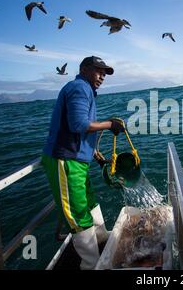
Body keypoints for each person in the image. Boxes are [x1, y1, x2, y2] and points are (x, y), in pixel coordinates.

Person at [41, 56, 125, 270]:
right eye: (99, 71)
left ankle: (102, 240)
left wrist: (94, 152)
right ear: (85, 69)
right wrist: (110, 124)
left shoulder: (84, 89)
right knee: (78, 213)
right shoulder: (79, 87)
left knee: (89, 202)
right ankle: (92, 264)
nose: (103, 76)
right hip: (65, 161)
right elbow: (79, 124)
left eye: (105, 73)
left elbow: (76, 129)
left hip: (77, 160)